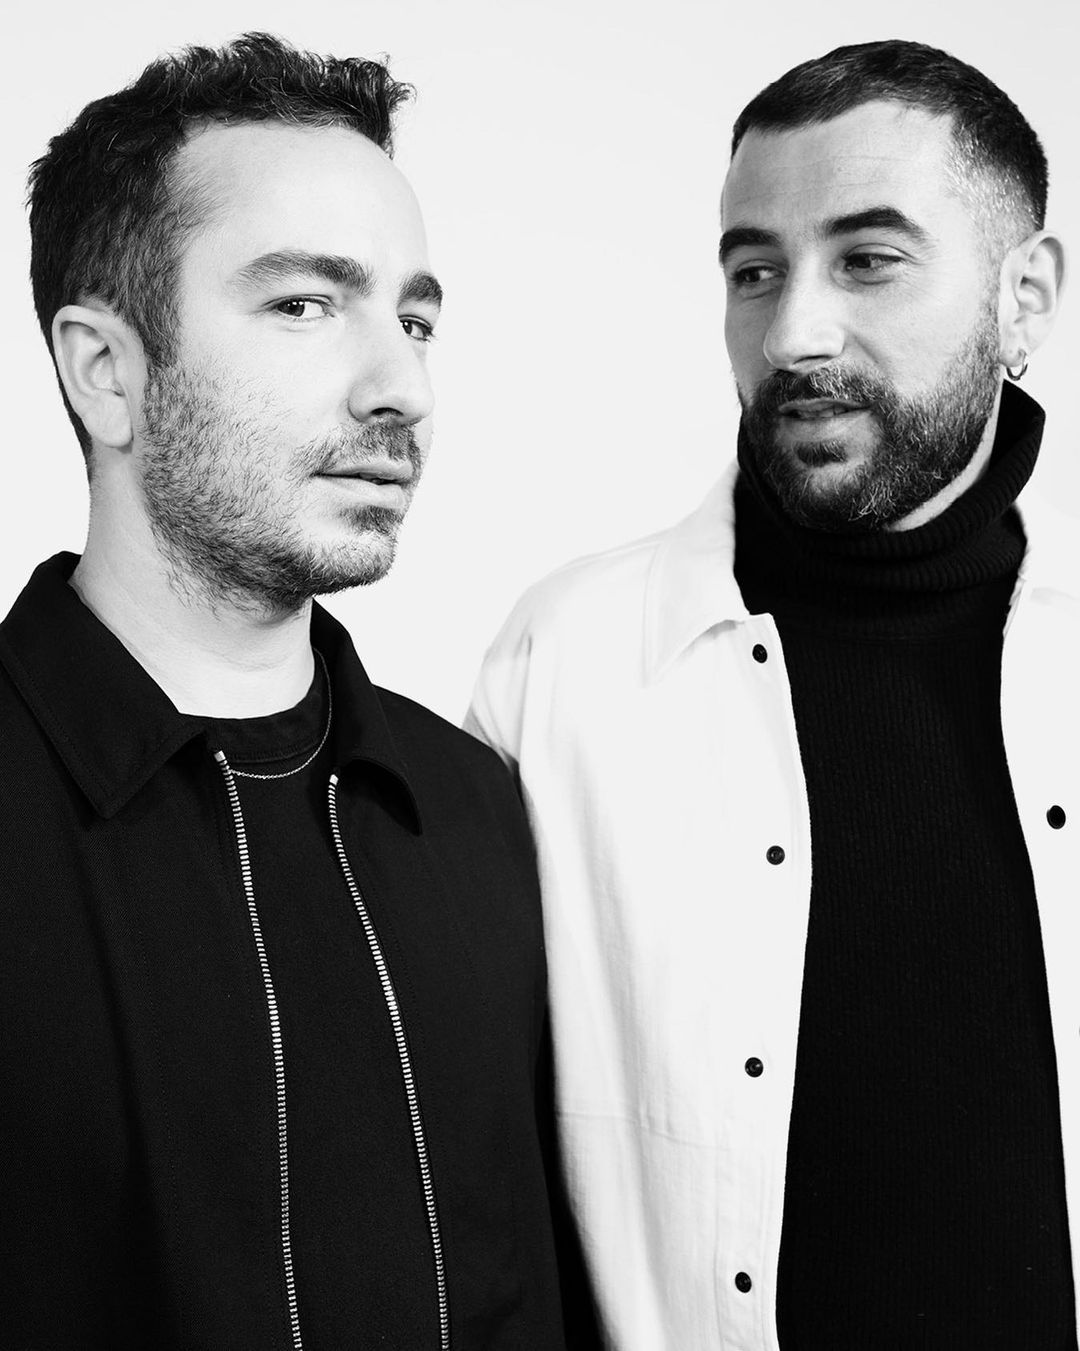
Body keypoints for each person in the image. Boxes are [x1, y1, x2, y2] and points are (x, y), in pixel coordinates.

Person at [467, 38, 1076, 1351]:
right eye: (754, 271)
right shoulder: (563, 664)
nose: (793, 333)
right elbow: (474, 1182)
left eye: (869, 259)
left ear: (1026, 295)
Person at [0, 32, 570, 1349]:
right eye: (307, 304)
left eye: (414, 319)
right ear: (107, 370)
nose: (403, 388)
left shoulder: (478, 811)